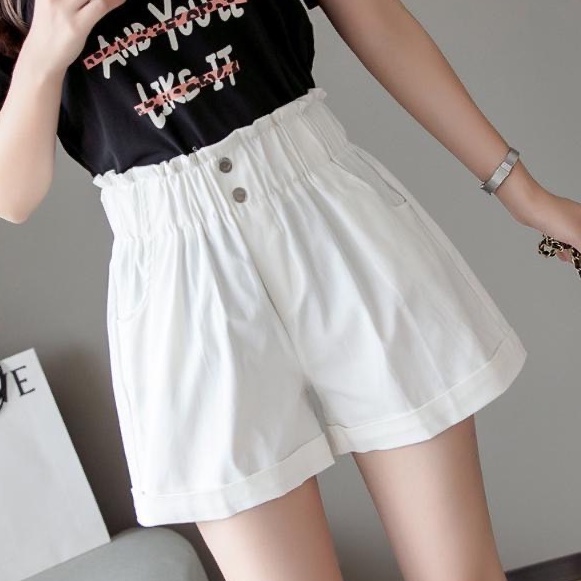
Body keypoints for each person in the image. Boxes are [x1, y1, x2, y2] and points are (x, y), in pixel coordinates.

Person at [0, 1, 578, 580]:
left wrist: (523, 193)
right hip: (179, 278)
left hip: (329, 216)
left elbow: (376, 20)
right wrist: (47, 47)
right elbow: (13, 196)